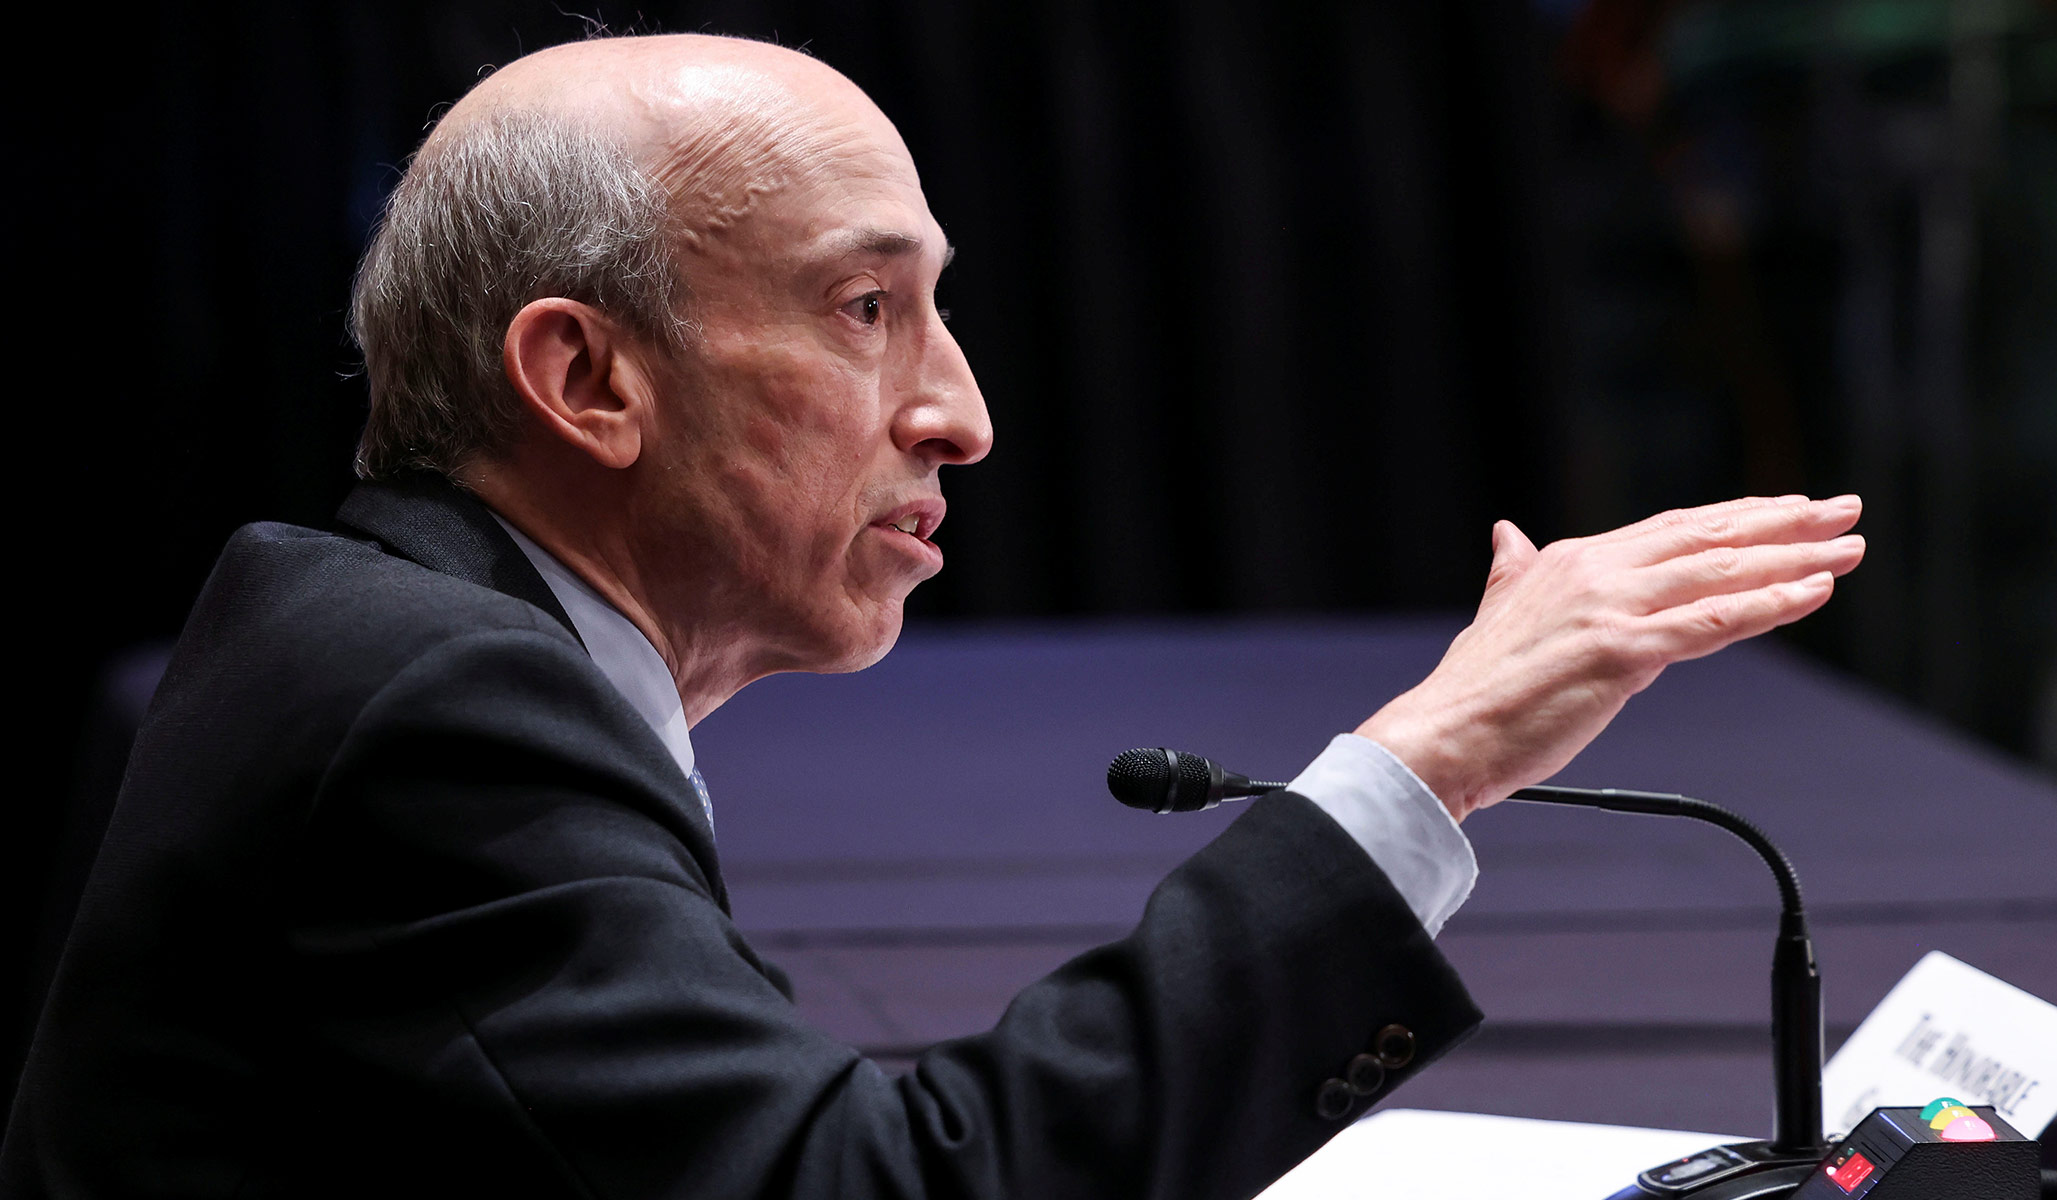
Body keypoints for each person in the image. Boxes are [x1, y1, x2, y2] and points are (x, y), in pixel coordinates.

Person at [1, 33, 1865, 1199]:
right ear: (584, 379)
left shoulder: (380, 629)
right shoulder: (437, 716)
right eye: (862, 310)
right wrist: (1431, 758)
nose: (959, 414)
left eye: (936, 307)